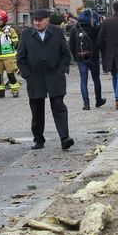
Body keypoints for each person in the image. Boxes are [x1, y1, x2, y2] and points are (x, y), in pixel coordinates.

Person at [17, 9, 74, 150]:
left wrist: (62, 69)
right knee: (36, 110)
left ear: (47, 20)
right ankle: (38, 139)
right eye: (35, 20)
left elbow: (66, 54)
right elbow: (20, 58)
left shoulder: (57, 32)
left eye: (40, 20)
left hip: (54, 76)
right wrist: (27, 74)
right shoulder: (26, 34)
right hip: (35, 78)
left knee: (59, 106)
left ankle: (64, 138)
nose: (37, 23)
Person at [69, 10, 106, 110]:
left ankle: (86, 103)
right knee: (96, 79)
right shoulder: (94, 28)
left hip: (80, 57)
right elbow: (100, 41)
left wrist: (76, 57)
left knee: (83, 81)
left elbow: (71, 45)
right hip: (93, 56)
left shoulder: (75, 29)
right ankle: (98, 100)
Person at [0, 10, 20, 98]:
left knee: (11, 75)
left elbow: (15, 41)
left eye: (0, 20)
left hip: (9, 57)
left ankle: (15, 91)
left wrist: (10, 49)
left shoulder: (10, 30)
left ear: (4, 20)